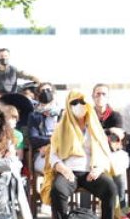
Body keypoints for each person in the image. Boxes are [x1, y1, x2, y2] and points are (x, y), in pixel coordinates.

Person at [41, 90, 117, 219]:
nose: (79, 105)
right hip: (68, 171)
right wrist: (63, 169)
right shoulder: (60, 128)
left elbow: (105, 153)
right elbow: (53, 155)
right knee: (57, 190)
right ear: (68, 106)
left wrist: (99, 169)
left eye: (82, 102)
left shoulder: (95, 126)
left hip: (91, 171)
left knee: (110, 188)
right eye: (74, 102)